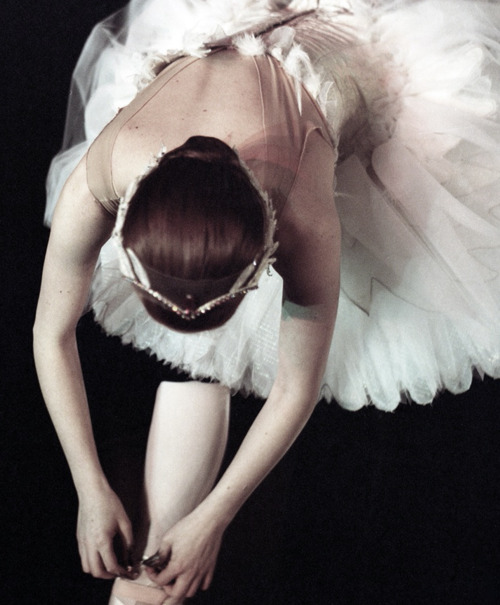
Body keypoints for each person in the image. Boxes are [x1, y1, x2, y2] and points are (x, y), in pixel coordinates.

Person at [33, 0, 500, 603]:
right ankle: (146, 587)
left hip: (348, 60)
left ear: (268, 250)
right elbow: (51, 332)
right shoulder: (102, 173)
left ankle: (148, 584)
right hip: (236, 56)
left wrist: (216, 518)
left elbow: (294, 386)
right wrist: (89, 487)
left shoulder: (304, 213)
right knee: (204, 373)